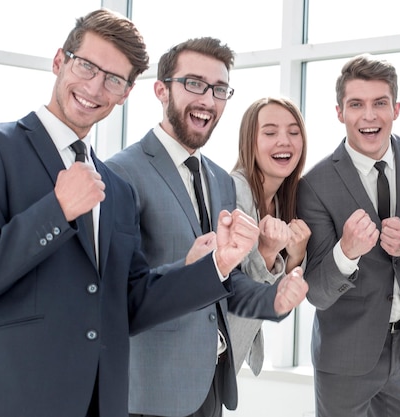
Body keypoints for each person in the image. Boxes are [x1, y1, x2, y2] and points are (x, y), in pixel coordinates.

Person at [0, 10, 306, 417]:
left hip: (103, 401)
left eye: (114, 79)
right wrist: (57, 211)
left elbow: (129, 302)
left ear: (125, 93)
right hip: (16, 399)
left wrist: (214, 265)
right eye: (86, 66)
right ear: (59, 62)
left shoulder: (114, 187)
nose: (95, 86)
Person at [106, 39, 307, 417]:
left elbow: (224, 282)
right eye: (194, 83)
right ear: (161, 89)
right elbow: (119, 296)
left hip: (211, 381)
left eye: (219, 89)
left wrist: (273, 298)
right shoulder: (122, 172)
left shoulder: (219, 179)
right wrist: (189, 268)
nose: (208, 99)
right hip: (153, 390)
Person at [296, 54, 400, 417]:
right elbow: (317, 292)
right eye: (356, 104)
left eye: (380, 103)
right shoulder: (314, 185)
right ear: (340, 112)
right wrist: (346, 252)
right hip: (343, 356)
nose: (369, 116)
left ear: (397, 108)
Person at [227, 96, 311, 375]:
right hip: (209, 344)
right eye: (270, 132)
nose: (284, 141)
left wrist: (296, 256)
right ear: (249, 141)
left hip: (232, 350)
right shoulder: (232, 191)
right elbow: (233, 287)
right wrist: (267, 252)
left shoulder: (286, 202)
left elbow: (281, 298)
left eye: (293, 132)